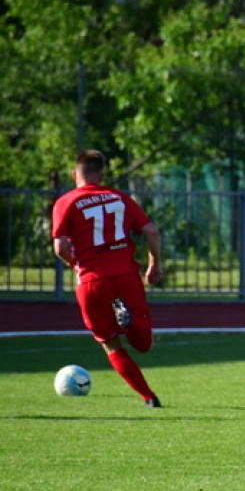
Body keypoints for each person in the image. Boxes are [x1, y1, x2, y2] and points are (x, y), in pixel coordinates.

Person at [51, 150, 164, 408]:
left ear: (74, 174)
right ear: (101, 175)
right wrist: (154, 264)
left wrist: (75, 265)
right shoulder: (120, 198)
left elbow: (60, 247)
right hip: (126, 276)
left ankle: (149, 397)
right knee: (144, 345)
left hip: (92, 281)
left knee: (111, 345)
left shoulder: (65, 202)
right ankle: (128, 322)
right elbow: (152, 232)